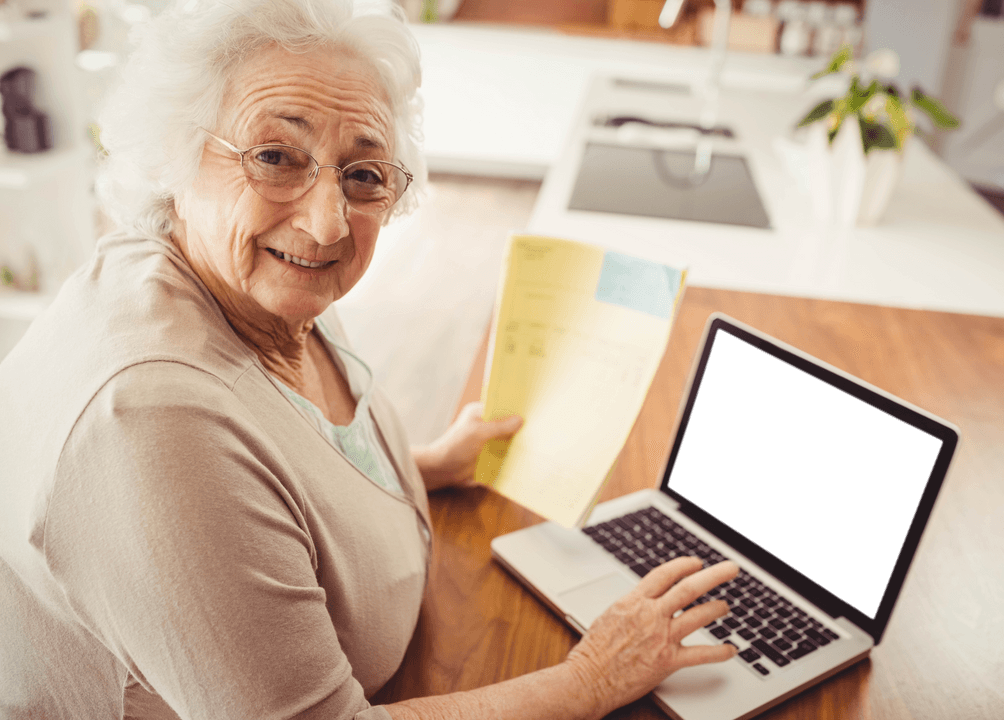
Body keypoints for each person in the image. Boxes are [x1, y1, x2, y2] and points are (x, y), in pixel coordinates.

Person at [0, 0, 740, 717]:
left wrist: (412, 464)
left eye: (363, 175)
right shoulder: (150, 421)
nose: (326, 224)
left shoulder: (237, 276)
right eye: (275, 157)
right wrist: (591, 679)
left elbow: (263, 466)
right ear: (175, 156)